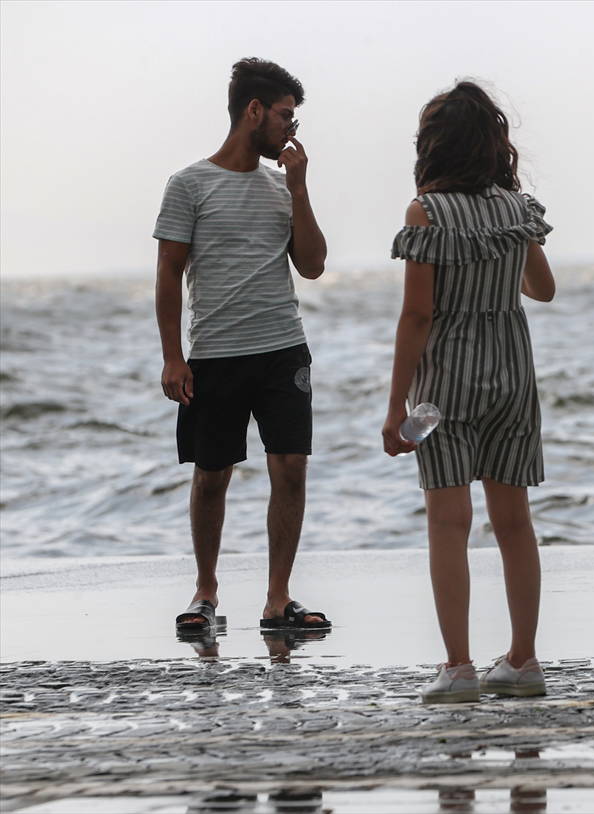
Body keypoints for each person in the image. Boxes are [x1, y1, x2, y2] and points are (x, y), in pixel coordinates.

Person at [382, 81, 555, 703]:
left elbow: (418, 316)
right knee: (514, 521)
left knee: (448, 523)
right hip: (512, 374)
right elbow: (543, 289)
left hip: (445, 385)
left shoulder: (425, 213)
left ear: (434, 145)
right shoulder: (517, 208)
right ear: (493, 142)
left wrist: (394, 406)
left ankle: (458, 668)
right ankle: (524, 660)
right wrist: (501, 264)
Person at [155, 58, 331, 634]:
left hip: (283, 350)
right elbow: (168, 274)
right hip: (213, 354)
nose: (291, 129)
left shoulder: (283, 187)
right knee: (211, 475)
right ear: (252, 111)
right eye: (285, 116)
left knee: (291, 469)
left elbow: (312, 265)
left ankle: (278, 598)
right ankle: (205, 593)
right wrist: (172, 356)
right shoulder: (189, 184)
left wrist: (300, 189)